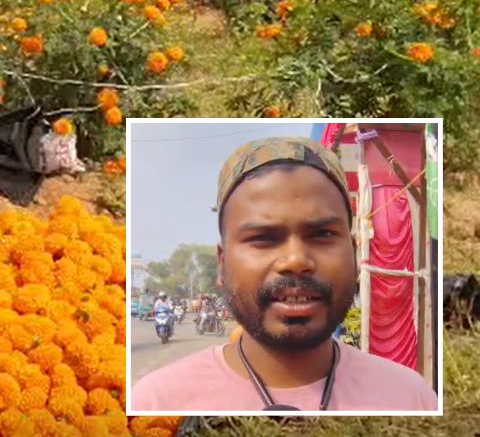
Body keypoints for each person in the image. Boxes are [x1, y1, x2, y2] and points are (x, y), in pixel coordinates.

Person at [131, 137, 438, 412]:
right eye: (263, 238)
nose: (295, 260)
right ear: (222, 264)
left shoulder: (410, 398)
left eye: (322, 234)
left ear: (355, 255)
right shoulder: (156, 405)